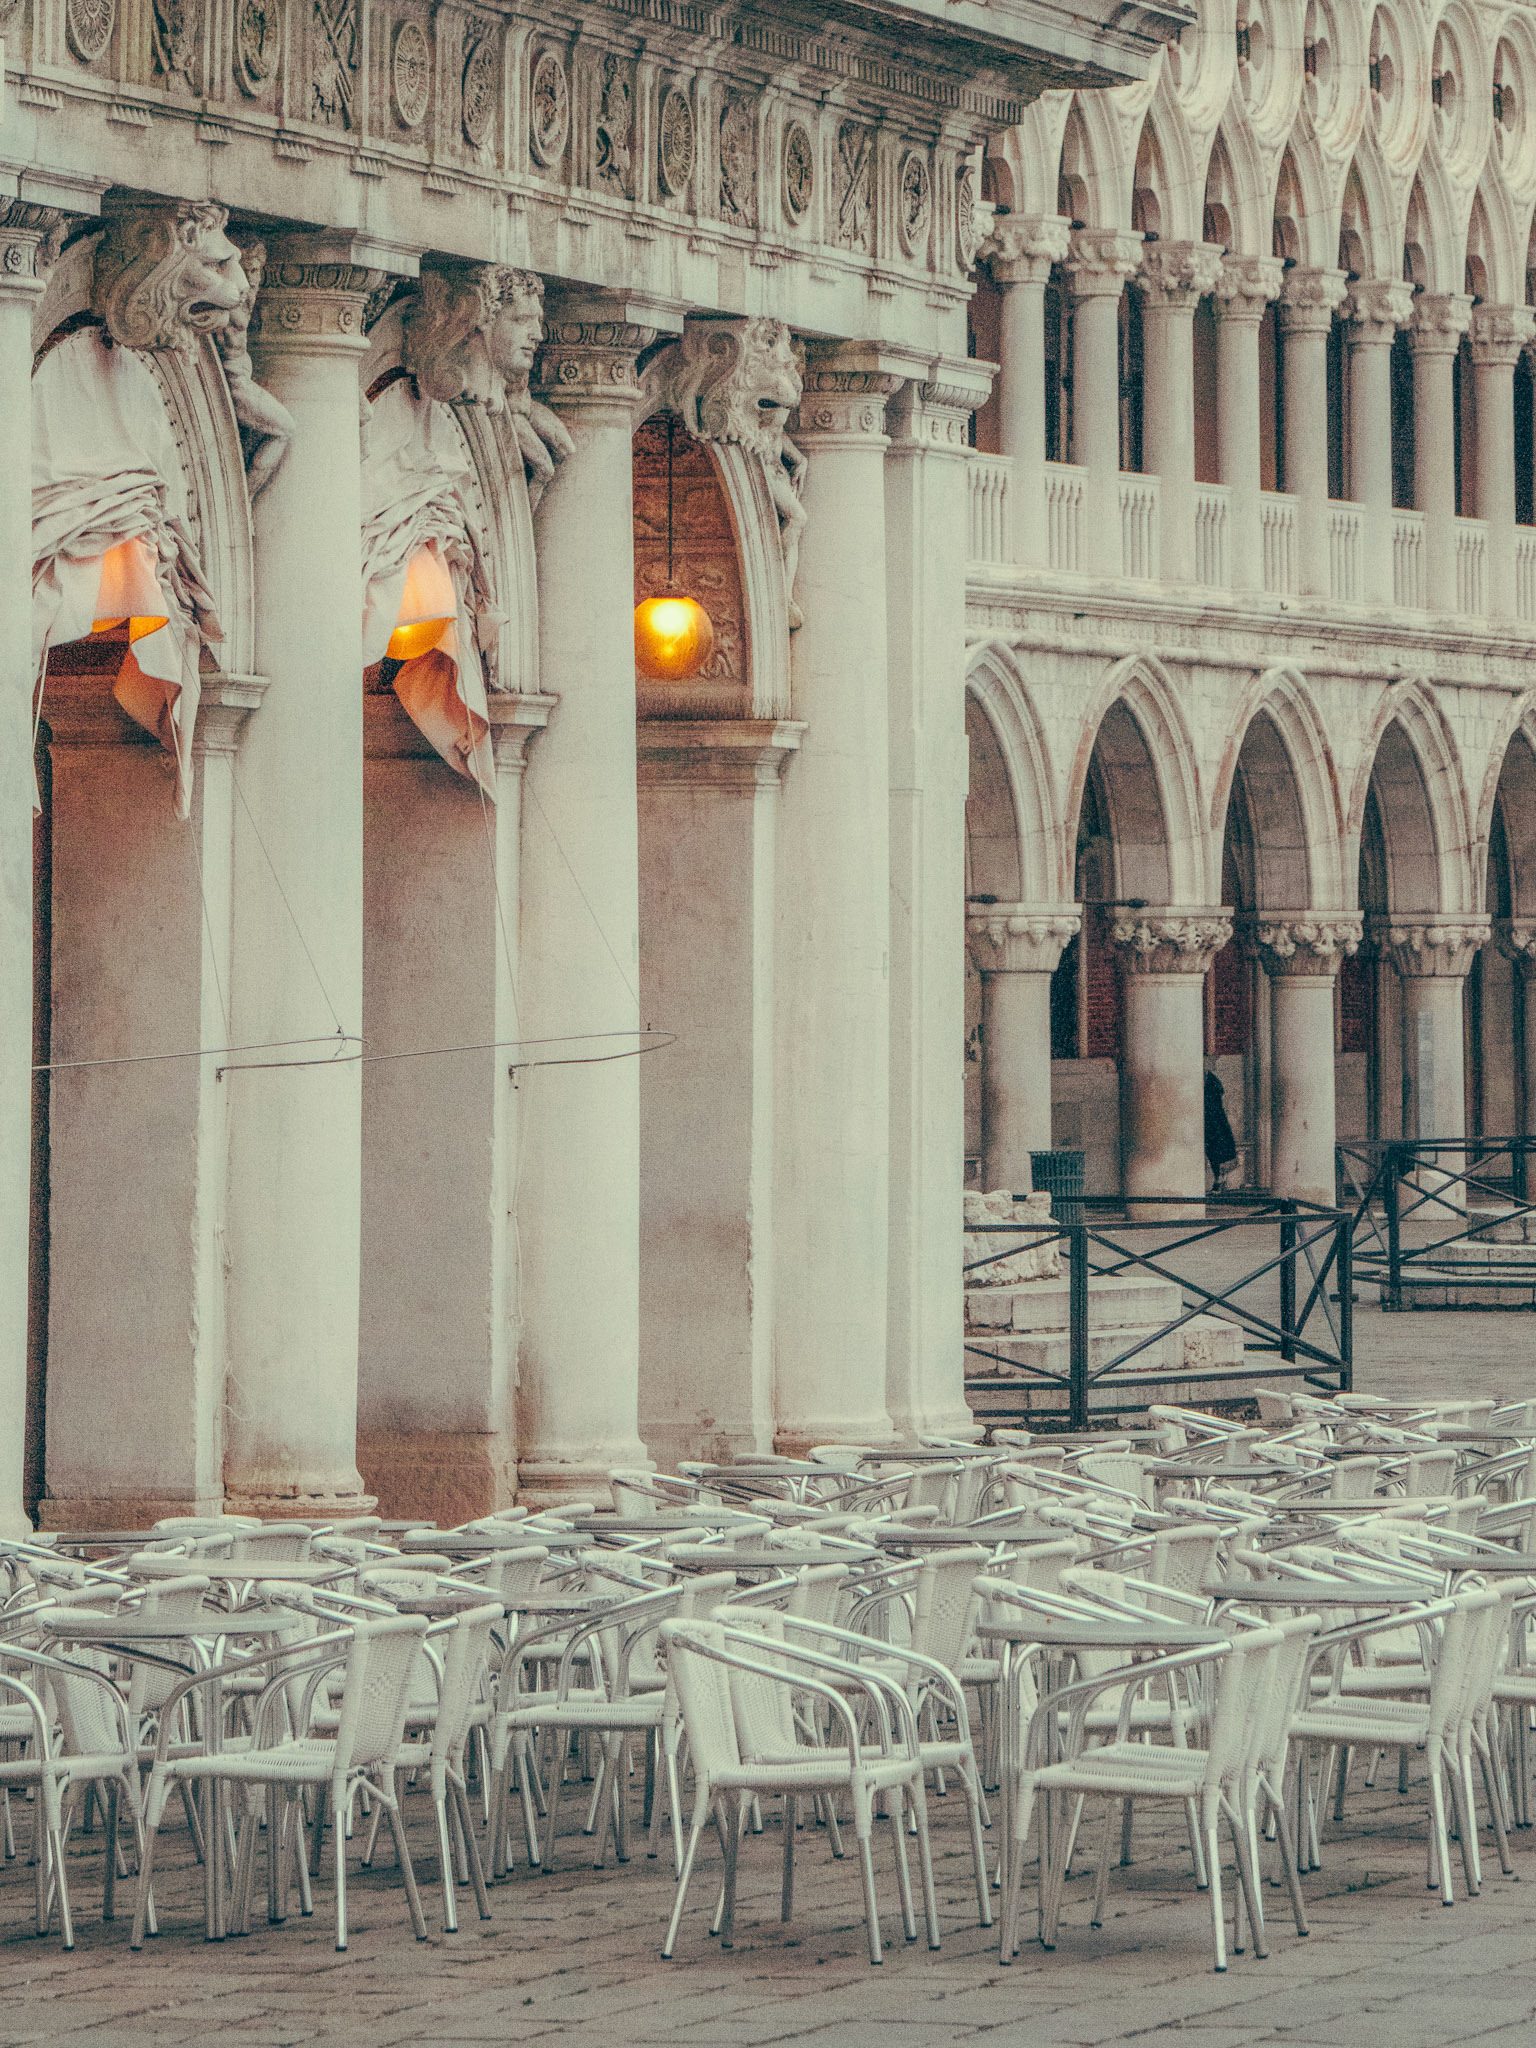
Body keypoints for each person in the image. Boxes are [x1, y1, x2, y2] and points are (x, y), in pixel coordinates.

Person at [1204, 1069, 1238, 1189]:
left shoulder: (1212, 1081)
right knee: (1213, 1150)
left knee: (1217, 1149)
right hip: (1210, 1121)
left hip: (1214, 1121)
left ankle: (1219, 1178)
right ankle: (1218, 1178)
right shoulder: (1210, 1080)